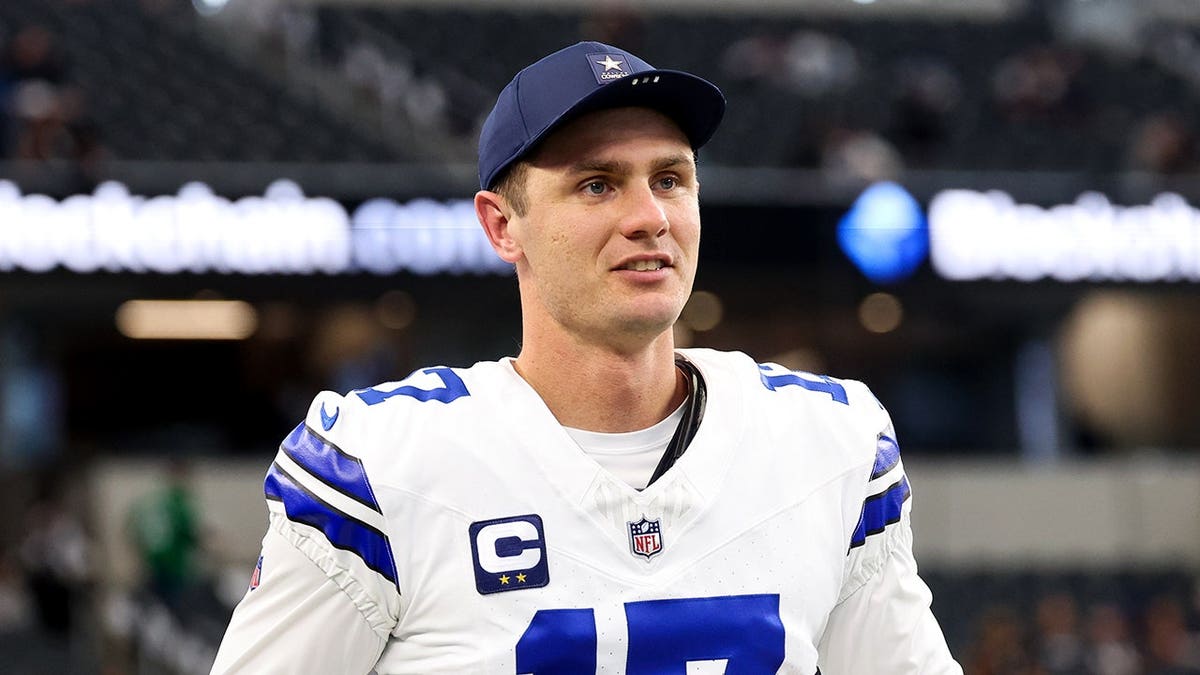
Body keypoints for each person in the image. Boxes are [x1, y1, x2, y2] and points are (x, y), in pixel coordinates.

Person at [210, 40, 961, 674]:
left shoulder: (827, 441)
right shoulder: (379, 464)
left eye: (670, 179)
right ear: (503, 226)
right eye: (597, 185)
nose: (649, 217)